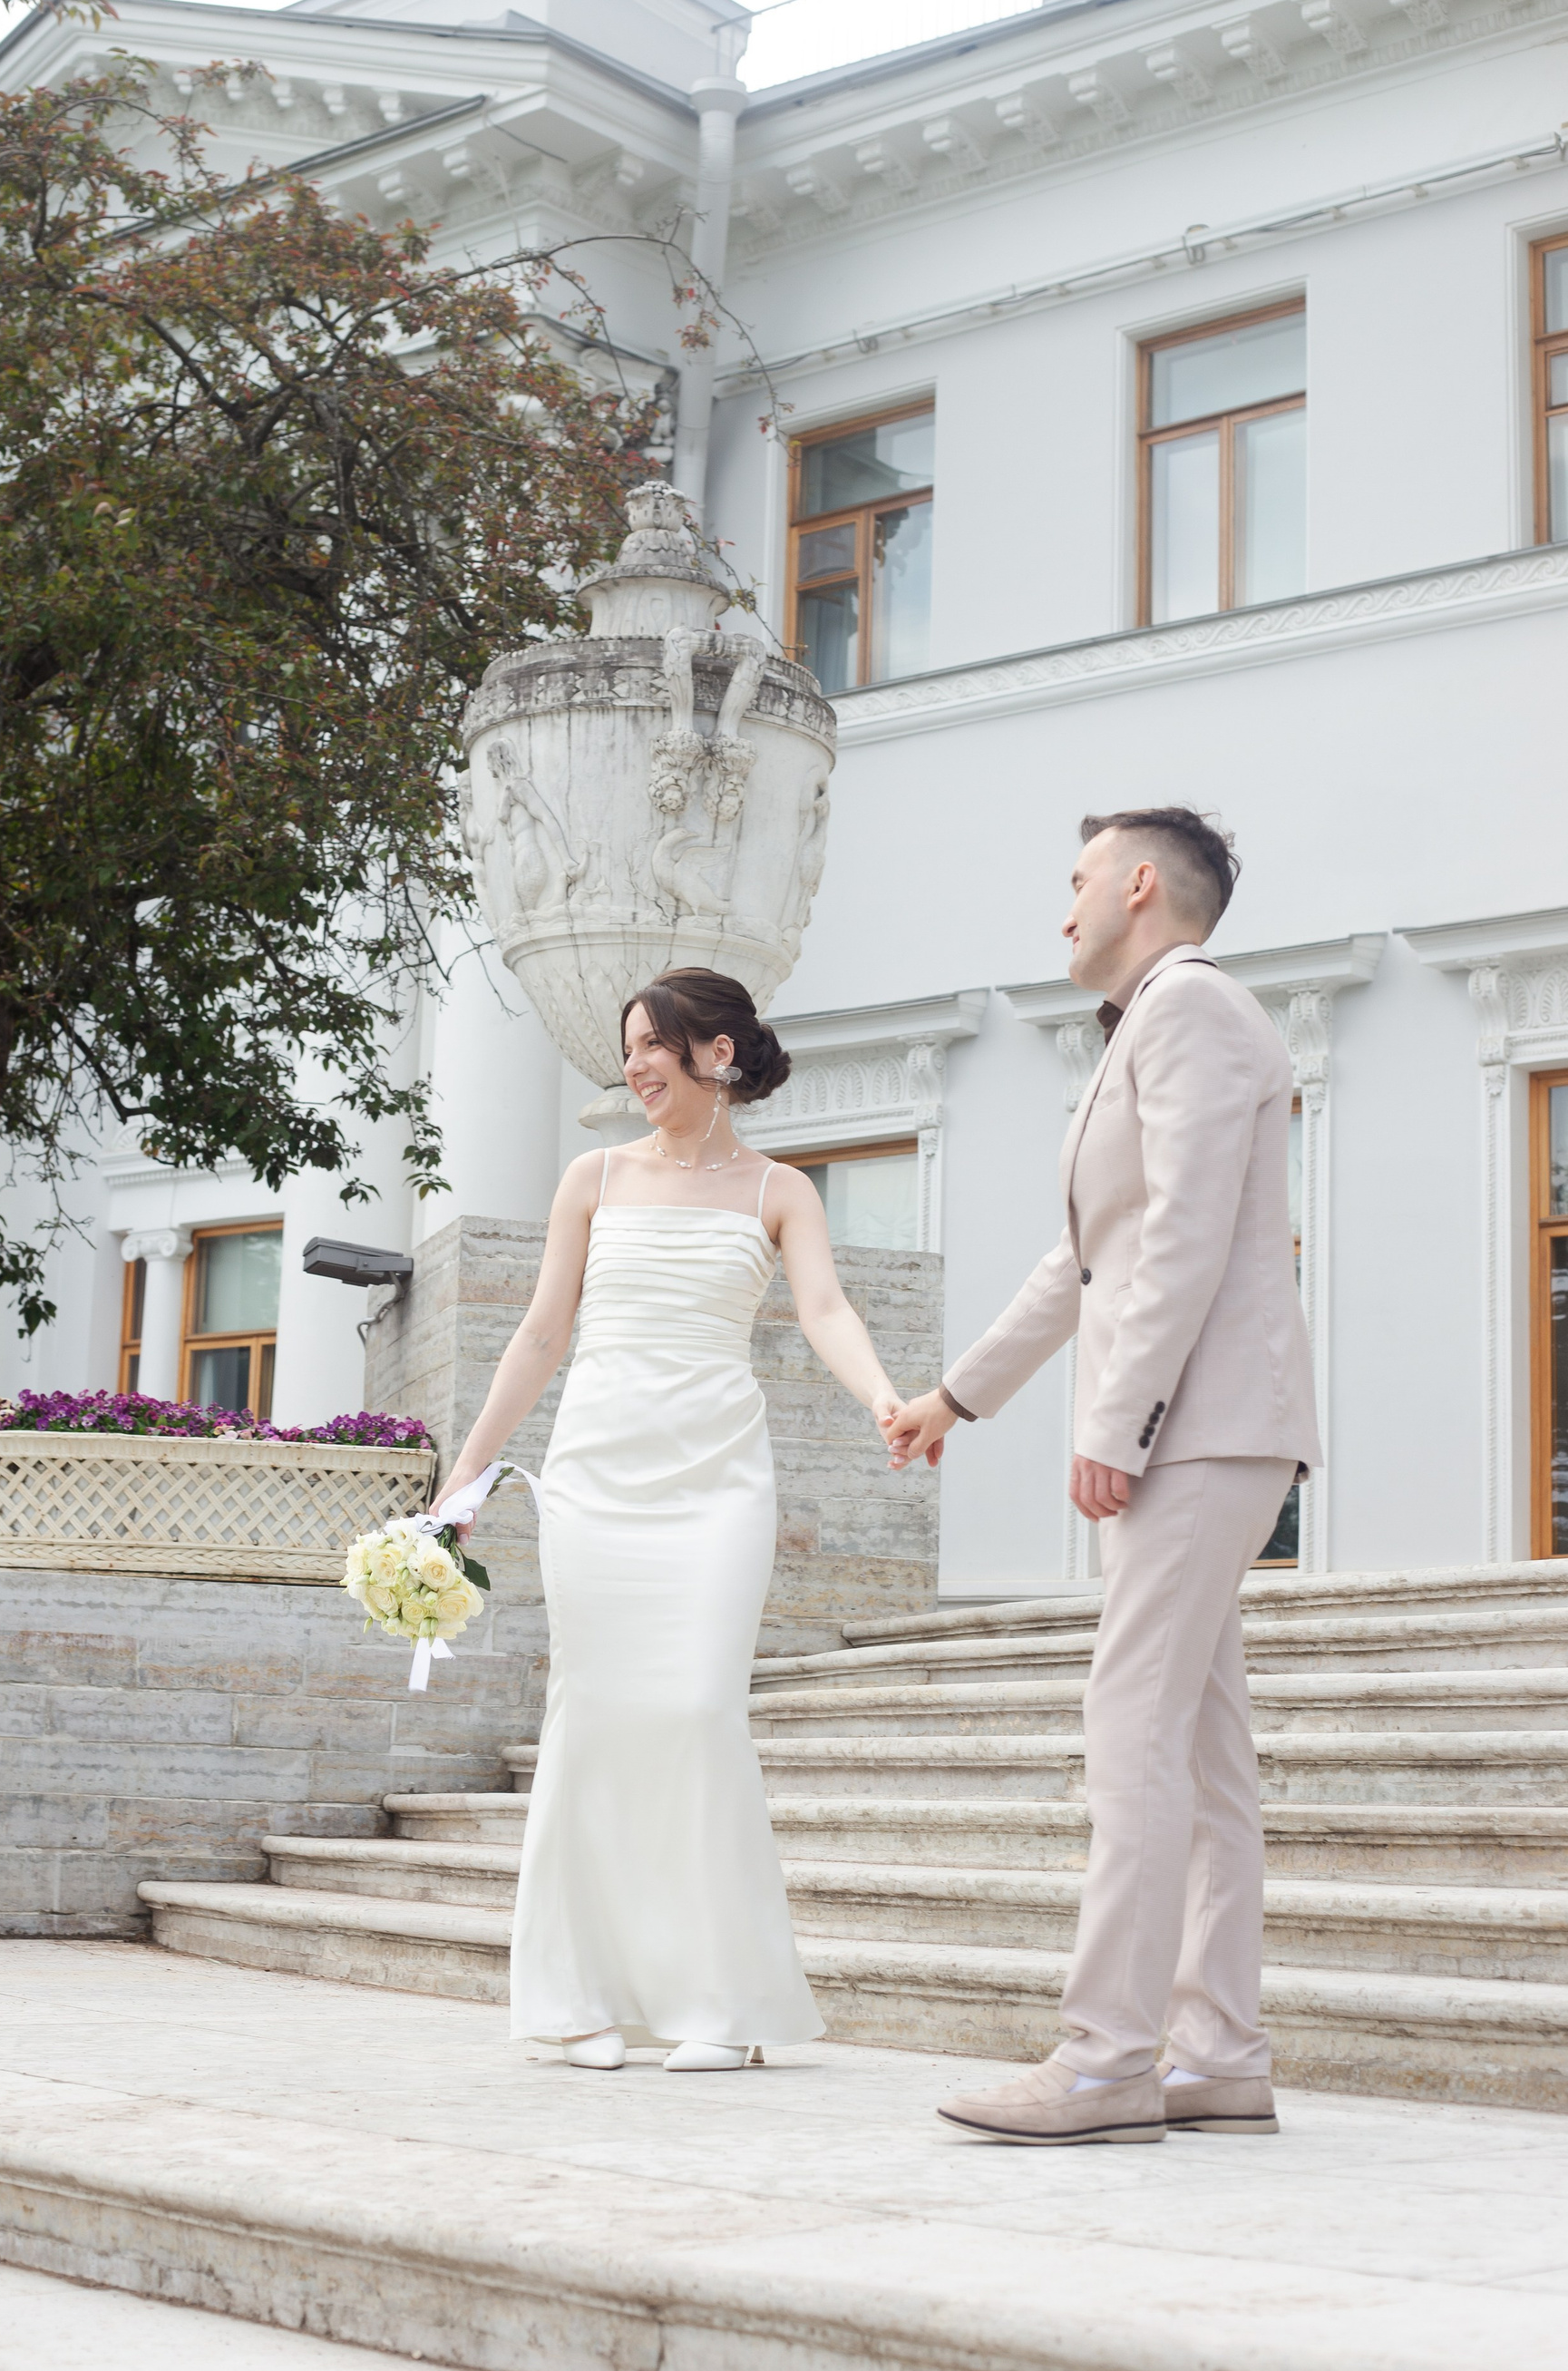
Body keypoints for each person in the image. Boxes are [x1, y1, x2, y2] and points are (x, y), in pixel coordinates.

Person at [890, 808, 1320, 2146]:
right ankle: (1219, 2053)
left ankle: (1107, 2056)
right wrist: (957, 1395)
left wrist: (1119, 1425)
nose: (1063, 907)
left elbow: (1187, 1235)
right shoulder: (1153, 1025)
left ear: (1139, 884)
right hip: (1205, 1422)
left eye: (1077, 880)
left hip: (1198, 1426)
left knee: (1130, 1727)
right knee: (1202, 1752)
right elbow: (1089, 1258)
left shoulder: (1190, 1008)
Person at [436, 966, 907, 2072]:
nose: (637, 1065)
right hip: (598, 1476)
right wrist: (467, 1476)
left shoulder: (780, 1192)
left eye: (656, 1043)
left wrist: (885, 1398)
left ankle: (722, 2007)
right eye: (630, 1047)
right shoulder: (593, 1177)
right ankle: (576, 1999)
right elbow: (540, 1335)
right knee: (594, 1716)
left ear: (718, 1052)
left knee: (698, 1712)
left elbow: (826, 1308)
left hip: (717, 1479)